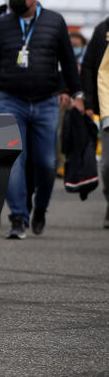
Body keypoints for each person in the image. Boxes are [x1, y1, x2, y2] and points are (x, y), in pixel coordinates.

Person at [0, 0, 83, 239]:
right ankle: (18, 217)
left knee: (46, 163)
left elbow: (68, 62)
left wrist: (77, 93)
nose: (15, 2)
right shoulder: (1, 25)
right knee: (13, 161)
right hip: (10, 99)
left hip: (46, 101)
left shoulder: (55, 22)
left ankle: (41, 209)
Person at [80, 19, 109, 228]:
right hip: (108, 106)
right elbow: (90, 66)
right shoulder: (103, 29)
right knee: (107, 166)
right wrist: (89, 102)